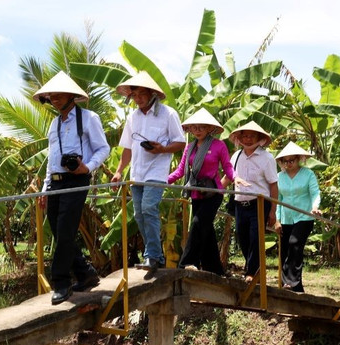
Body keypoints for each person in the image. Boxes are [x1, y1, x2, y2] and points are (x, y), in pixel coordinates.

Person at [33, 72, 111, 305]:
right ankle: (85, 273)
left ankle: (61, 282)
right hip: (56, 182)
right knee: (59, 230)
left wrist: (87, 168)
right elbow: (52, 158)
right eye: (51, 95)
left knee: (66, 229)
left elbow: (103, 148)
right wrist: (46, 189)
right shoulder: (54, 124)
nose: (54, 98)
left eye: (58, 94)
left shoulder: (88, 118)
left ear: (71, 95)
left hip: (76, 180)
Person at [112, 72, 185, 271]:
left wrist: (161, 149)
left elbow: (180, 141)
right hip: (137, 172)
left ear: (152, 93)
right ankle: (156, 256)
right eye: (134, 95)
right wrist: (119, 171)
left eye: (141, 94)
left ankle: (152, 255)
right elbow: (127, 148)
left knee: (148, 208)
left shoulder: (168, 114)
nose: (138, 99)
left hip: (157, 171)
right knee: (139, 215)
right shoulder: (132, 118)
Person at [167, 108, 234, 274]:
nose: (197, 130)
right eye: (194, 127)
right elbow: (180, 171)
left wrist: (235, 178)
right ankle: (216, 270)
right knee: (206, 230)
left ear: (209, 129)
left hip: (213, 193)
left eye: (201, 127)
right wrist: (163, 180)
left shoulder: (219, 145)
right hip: (196, 193)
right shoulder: (189, 148)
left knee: (197, 224)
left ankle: (187, 262)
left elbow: (227, 166)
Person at [228, 121, 278, 282]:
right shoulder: (236, 156)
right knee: (242, 237)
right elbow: (227, 177)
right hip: (240, 203)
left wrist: (273, 211)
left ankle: (251, 272)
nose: (248, 139)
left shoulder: (267, 157)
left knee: (256, 237)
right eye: (245, 136)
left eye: (252, 136)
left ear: (259, 138)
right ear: (239, 137)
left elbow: (273, 184)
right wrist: (215, 193)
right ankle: (256, 270)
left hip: (259, 203)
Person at [273, 142, 321, 292]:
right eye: (285, 161)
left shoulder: (308, 174)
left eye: (291, 160)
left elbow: (315, 193)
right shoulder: (279, 177)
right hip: (286, 217)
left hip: (304, 216)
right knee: (285, 249)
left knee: (295, 243)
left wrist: (315, 207)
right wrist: (277, 220)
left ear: (299, 159)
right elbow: (278, 200)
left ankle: (291, 283)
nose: (288, 164)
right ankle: (294, 287)